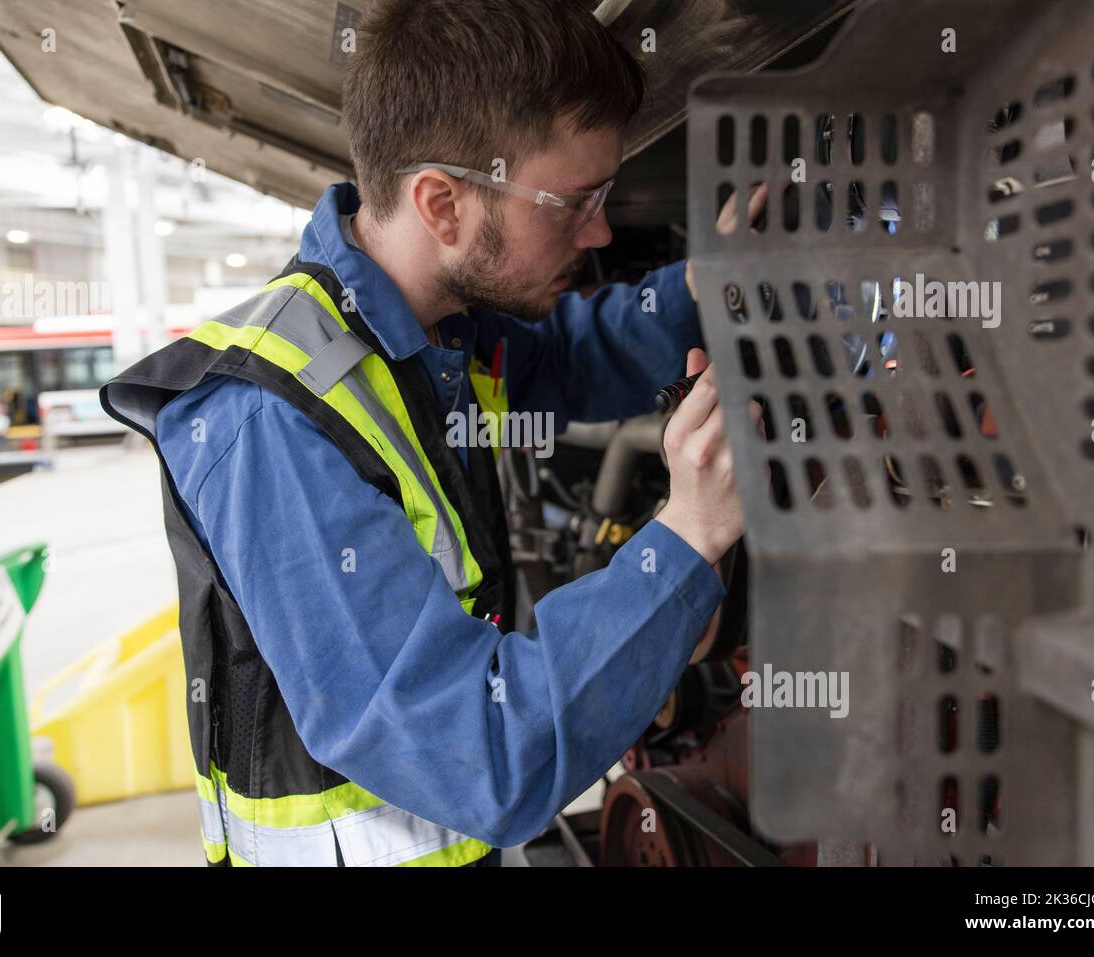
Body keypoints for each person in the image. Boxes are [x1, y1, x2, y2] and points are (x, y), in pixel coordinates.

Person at [101, 0, 750, 867]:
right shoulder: (269, 419)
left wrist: (711, 284)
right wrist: (686, 537)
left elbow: (564, 357)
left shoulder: (440, 332)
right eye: (574, 201)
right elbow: (480, 754)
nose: (598, 231)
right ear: (442, 203)